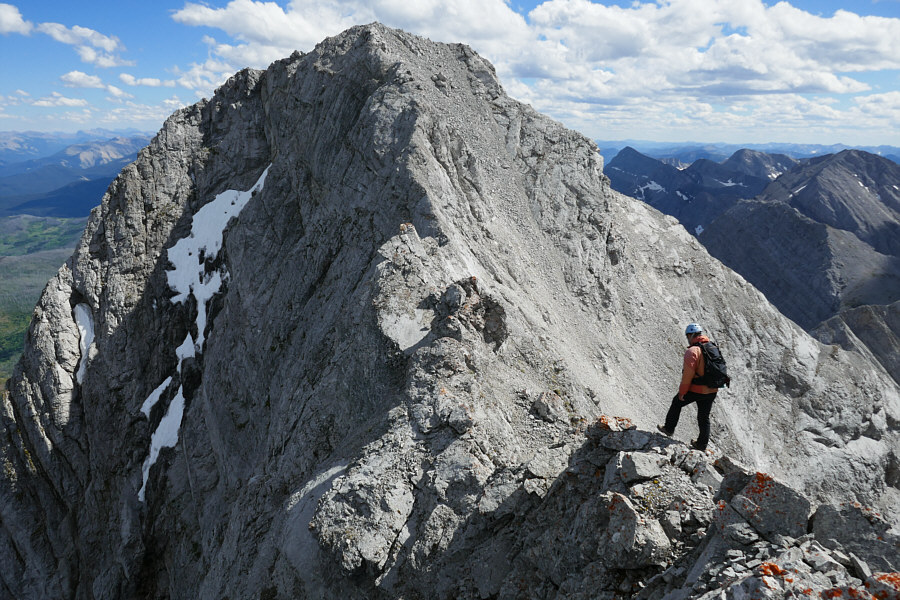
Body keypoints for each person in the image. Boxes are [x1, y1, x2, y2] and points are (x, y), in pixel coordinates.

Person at [657, 323, 719, 451]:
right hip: (712, 389)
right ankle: (701, 444)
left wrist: (682, 392)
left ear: (690, 335)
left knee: (677, 402)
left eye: (687, 336)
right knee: (704, 417)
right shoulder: (712, 347)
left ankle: (669, 428)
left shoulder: (692, 351)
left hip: (697, 389)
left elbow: (687, 376)